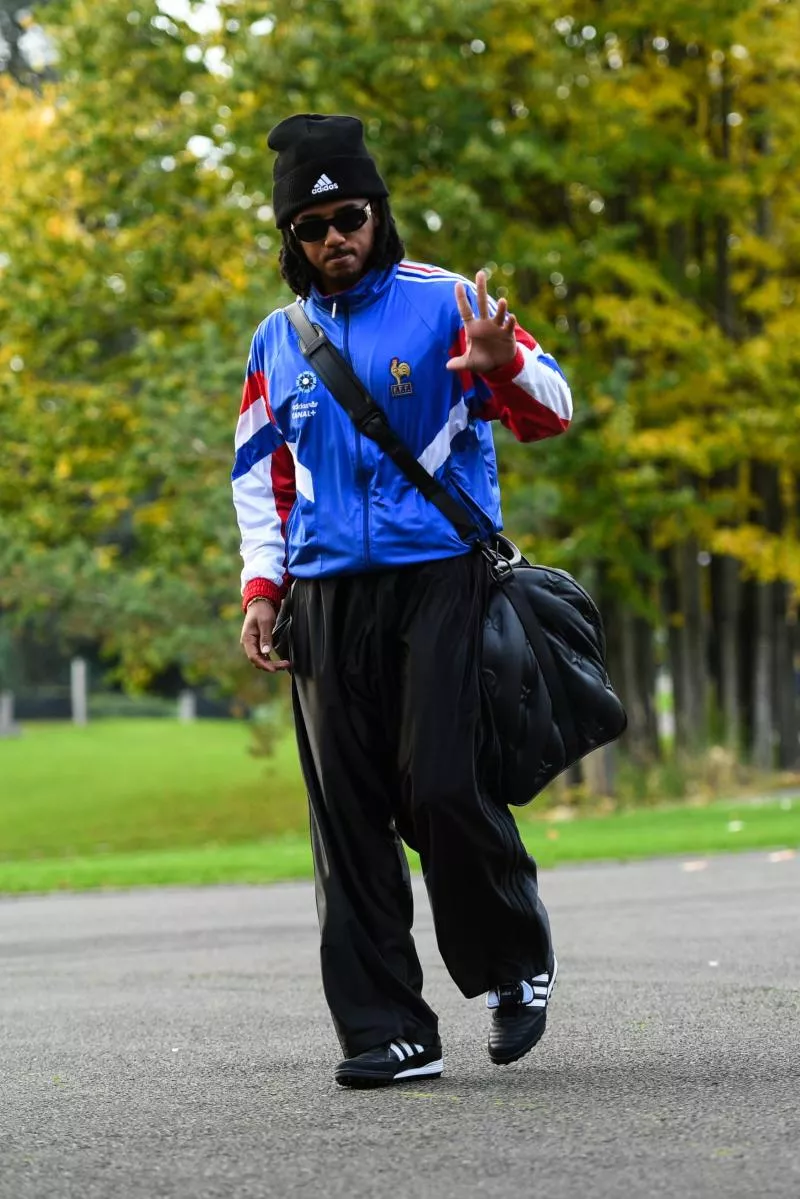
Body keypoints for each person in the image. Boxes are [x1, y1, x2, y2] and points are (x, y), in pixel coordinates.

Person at [232, 113, 573, 1089]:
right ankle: (388, 1028)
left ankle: (512, 963)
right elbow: (259, 475)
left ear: (377, 212)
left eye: (348, 216)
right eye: (310, 225)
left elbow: (551, 406)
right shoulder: (278, 339)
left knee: (438, 785)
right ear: (290, 238)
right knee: (346, 815)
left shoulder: (448, 301)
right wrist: (263, 587)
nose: (334, 238)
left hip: (439, 576)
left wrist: (503, 366)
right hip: (326, 597)